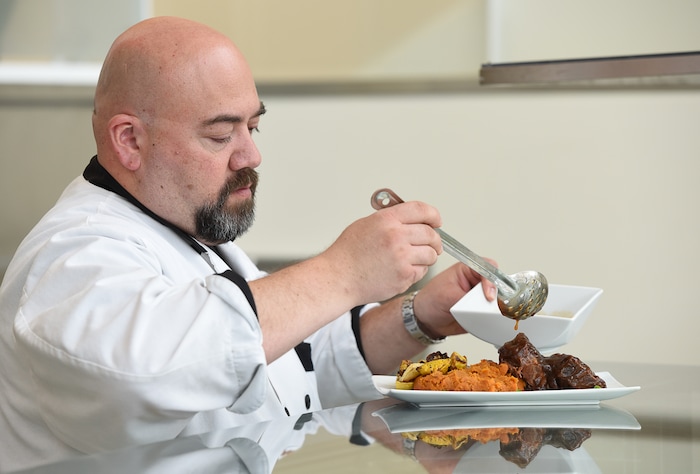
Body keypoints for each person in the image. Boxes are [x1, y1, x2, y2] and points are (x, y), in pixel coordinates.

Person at [0, 16, 496, 472]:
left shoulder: (189, 234)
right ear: (129, 140)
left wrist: (419, 316)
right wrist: (342, 273)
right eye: (220, 136)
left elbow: (295, 361)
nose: (251, 154)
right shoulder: (70, 256)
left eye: (253, 126)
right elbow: (159, 369)